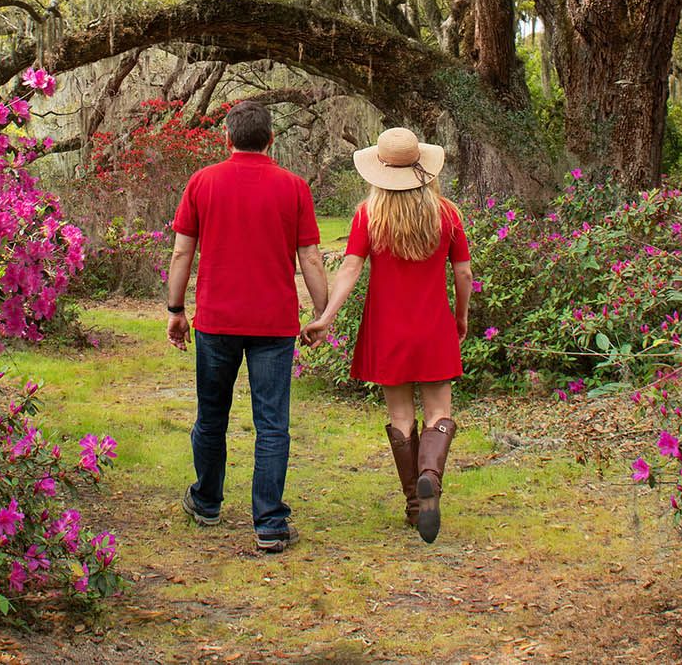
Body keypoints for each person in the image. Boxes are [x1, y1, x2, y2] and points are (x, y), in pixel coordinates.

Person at [164, 101, 328, 554]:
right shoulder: (294, 188)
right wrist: (321, 314)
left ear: (228, 138)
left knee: (211, 415)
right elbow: (310, 257)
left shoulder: (203, 182)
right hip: (274, 324)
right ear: (271, 140)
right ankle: (270, 523)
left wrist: (176, 308)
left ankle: (207, 501)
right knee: (272, 423)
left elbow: (182, 253)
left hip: (217, 321)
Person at [300, 126, 471, 544]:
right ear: (423, 168)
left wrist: (325, 317)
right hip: (433, 325)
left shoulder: (369, 216)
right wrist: (461, 317)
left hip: (388, 328)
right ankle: (430, 476)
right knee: (439, 413)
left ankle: (416, 504)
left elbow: (350, 269)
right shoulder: (447, 214)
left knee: (400, 418)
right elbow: (463, 272)